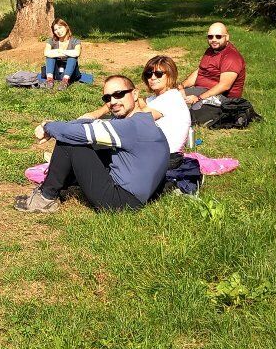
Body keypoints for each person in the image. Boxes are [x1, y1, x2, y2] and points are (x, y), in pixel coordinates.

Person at [15, 74, 169, 213]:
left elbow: (74, 133)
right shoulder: (142, 122)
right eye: (107, 98)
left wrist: (47, 126)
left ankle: (46, 198)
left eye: (119, 94)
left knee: (70, 143)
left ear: (135, 94)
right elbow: (89, 125)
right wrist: (61, 126)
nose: (113, 101)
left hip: (121, 201)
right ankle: (59, 185)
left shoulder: (131, 127)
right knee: (86, 140)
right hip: (137, 195)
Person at [72, 56, 191, 168]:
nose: (152, 78)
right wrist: (96, 114)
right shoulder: (155, 99)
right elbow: (125, 100)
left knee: (96, 152)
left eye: (158, 74)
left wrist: (97, 124)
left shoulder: (171, 98)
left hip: (166, 159)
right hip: (155, 153)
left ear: (170, 75)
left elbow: (135, 121)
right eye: (149, 74)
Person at [182, 22, 246, 107]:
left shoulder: (231, 57)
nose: (214, 39)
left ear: (227, 37)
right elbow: (200, 72)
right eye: (210, 36)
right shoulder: (210, 51)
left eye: (218, 36)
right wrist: (181, 86)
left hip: (222, 99)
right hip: (201, 91)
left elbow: (224, 86)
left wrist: (199, 98)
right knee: (167, 96)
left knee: (177, 105)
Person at [42, 18, 82, 90]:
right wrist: (57, 51)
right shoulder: (51, 41)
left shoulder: (75, 41)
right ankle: (49, 80)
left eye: (60, 28)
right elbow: (46, 53)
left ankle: (65, 81)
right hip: (56, 71)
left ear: (66, 27)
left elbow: (77, 53)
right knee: (50, 56)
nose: (58, 31)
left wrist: (61, 51)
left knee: (72, 57)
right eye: (55, 30)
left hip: (71, 72)